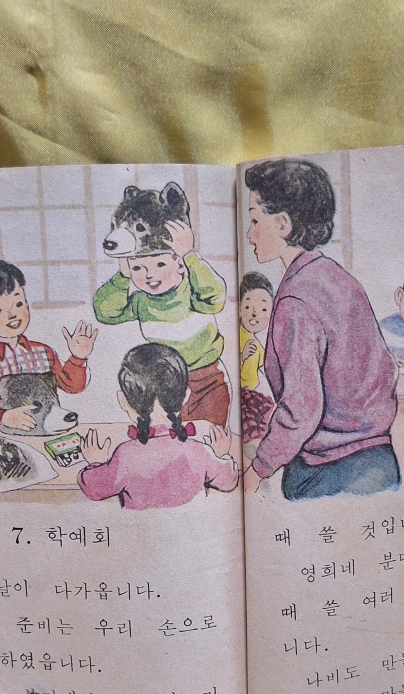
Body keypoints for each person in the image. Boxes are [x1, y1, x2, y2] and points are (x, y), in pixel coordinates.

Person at [242, 158, 400, 500]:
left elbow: (302, 409)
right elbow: (385, 368)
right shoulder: (338, 278)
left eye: (254, 220)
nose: (249, 234)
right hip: (380, 462)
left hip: (326, 473)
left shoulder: (296, 300)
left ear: (282, 224)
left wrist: (257, 469)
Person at [93, 216, 231, 427]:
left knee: (210, 434)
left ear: (180, 264)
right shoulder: (141, 301)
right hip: (165, 385)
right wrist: (123, 276)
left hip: (207, 379)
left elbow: (214, 298)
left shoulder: (192, 290)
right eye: (137, 268)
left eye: (160, 264)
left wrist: (190, 256)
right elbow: (105, 313)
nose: (150, 275)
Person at [77, 343, 238, 510]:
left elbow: (93, 488)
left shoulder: (125, 455)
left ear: (123, 401)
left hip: (140, 527)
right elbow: (228, 481)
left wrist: (95, 462)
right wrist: (221, 453)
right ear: (186, 396)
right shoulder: (199, 451)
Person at [0, 259, 96, 431]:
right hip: (1, 437)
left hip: (46, 431)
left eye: (19, 304)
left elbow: (71, 386)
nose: (12, 314)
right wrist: (0, 416)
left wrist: (78, 358)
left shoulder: (42, 352)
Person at [238, 272, 275, 444]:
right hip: (242, 398)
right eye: (248, 307)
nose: (254, 314)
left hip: (254, 395)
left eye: (263, 309)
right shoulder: (238, 336)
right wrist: (241, 356)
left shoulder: (258, 343)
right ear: (239, 309)